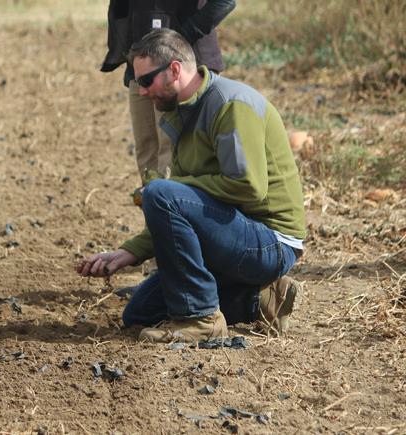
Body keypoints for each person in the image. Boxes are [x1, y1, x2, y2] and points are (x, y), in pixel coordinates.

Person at [78, 28, 306, 343]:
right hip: (233, 233)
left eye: (146, 81)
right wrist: (128, 252)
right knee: (140, 314)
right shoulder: (182, 115)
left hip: (270, 242)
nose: (142, 92)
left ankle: (201, 319)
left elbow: (248, 187)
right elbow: (187, 208)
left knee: (161, 192)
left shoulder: (230, 105)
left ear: (174, 70)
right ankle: (261, 299)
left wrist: (172, 186)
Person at [101, 0, 235, 181]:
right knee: (146, 149)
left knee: (172, 148)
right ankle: (153, 203)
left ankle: (173, 205)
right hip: (140, 63)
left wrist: (183, 36)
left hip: (185, 62)